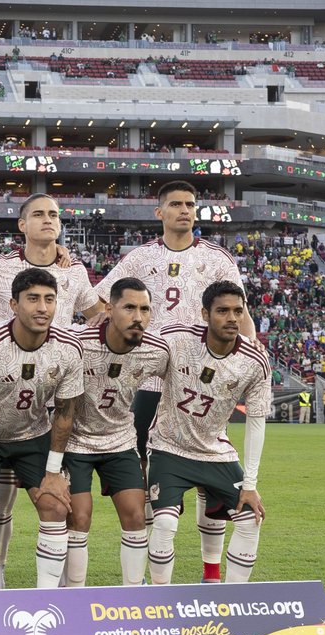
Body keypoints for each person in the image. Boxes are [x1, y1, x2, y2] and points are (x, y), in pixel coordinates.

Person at [94, 180, 256, 584]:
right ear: (159, 212)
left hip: (204, 384)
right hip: (148, 381)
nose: (185, 210)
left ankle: (211, 573)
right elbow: (101, 301)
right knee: (151, 475)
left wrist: (251, 350)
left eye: (191, 204)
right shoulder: (141, 257)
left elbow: (241, 312)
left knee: (208, 473)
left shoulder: (217, 258)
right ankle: (150, 572)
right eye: (176, 204)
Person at [0, 192, 102, 590]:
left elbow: (97, 320)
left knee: (53, 503)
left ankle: (50, 594)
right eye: (38, 214)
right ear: (21, 225)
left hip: (39, 404)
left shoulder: (74, 271)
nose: (48, 220)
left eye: (54, 215)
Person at [0, 268, 84, 590]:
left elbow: (66, 412)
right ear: (13, 304)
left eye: (49, 299)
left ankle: (46, 596)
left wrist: (54, 471)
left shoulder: (69, 347)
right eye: (33, 299)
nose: (42, 307)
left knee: (56, 505)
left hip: (34, 435)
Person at [146, 280, 271, 585]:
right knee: (163, 523)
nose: (232, 318)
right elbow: (136, 359)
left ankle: (228, 599)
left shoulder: (255, 361)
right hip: (168, 446)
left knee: (250, 518)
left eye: (238, 311)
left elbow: (256, 423)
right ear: (205, 314)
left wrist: (250, 484)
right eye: (223, 311)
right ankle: (158, 603)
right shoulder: (176, 339)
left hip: (216, 450)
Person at [64, 278, 170, 586]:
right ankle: (73, 594)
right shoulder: (77, 344)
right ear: (109, 309)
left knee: (136, 516)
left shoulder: (157, 351)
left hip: (120, 440)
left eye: (145, 309)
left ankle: (133, 594)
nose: (138, 317)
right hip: (76, 441)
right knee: (79, 518)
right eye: (129, 308)